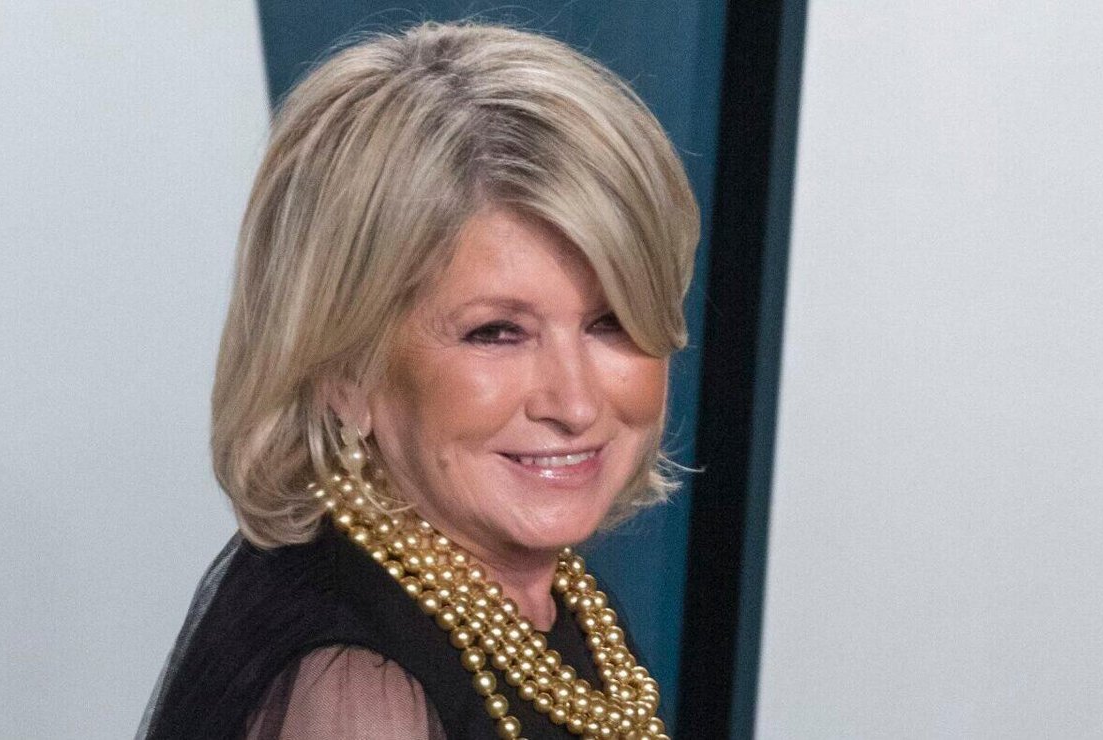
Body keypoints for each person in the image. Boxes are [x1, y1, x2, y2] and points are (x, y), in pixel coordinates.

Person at [139, 20, 698, 740]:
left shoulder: (549, 608)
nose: (576, 402)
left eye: (611, 322)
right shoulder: (358, 690)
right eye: (497, 333)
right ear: (345, 367)